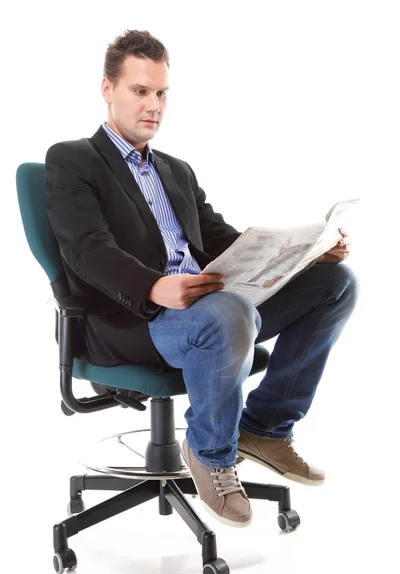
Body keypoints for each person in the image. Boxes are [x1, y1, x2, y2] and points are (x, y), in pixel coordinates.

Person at [46, 29, 358, 529]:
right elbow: (86, 249)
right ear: (107, 89)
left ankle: (266, 429)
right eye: (140, 91)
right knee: (229, 311)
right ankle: (213, 456)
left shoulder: (176, 171)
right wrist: (154, 286)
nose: (154, 106)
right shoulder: (72, 159)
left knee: (336, 284)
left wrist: (307, 256)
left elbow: (221, 242)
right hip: (136, 318)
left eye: (162, 92)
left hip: (208, 307)